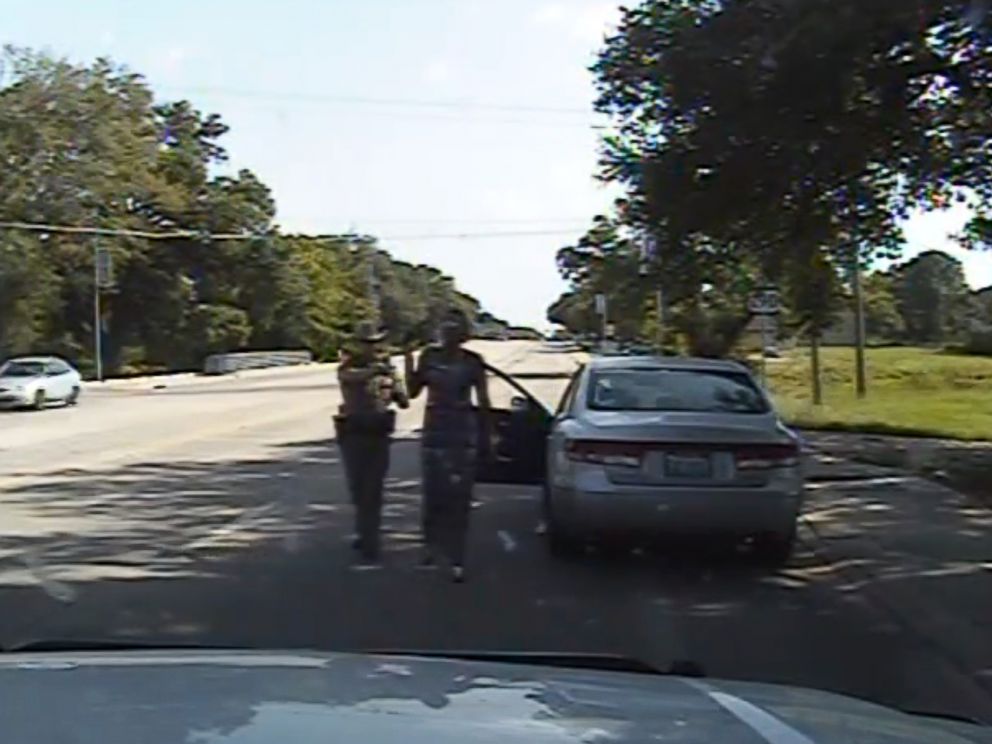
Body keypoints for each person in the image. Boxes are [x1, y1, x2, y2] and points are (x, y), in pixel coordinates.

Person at [404, 308, 492, 583]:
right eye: (445, 328)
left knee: (460, 497)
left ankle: (457, 556)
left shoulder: (473, 362)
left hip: (462, 434)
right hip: (434, 431)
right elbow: (413, 391)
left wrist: (487, 437)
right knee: (433, 494)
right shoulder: (429, 357)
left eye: (454, 328)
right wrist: (408, 360)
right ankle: (430, 546)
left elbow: (484, 401)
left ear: (462, 334)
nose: (449, 333)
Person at [334, 320, 409, 566]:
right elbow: (348, 377)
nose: (370, 348)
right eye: (366, 343)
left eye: (374, 343)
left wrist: (397, 381)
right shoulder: (350, 365)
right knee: (357, 488)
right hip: (354, 434)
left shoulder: (388, 369)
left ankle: (371, 537)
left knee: (373, 489)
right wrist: (375, 372)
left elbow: (404, 399)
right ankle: (363, 529)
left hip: (378, 433)